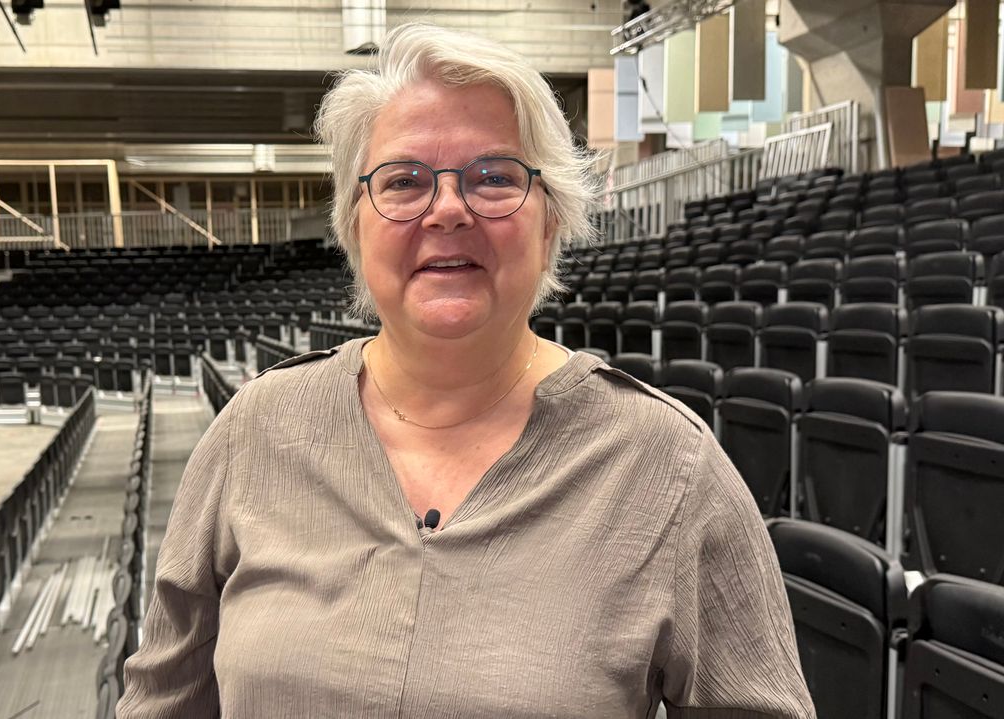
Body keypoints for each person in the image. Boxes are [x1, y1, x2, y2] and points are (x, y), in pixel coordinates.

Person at [117, 23, 815, 719]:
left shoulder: (669, 470)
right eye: (403, 180)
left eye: (494, 177)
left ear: (550, 223)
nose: (447, 209)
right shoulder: (254, 433)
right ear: (355, 225)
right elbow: (161, 701)